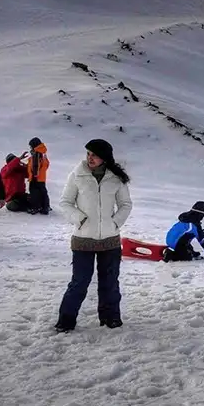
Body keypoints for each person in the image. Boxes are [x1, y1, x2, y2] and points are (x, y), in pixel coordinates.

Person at [54, 139, 133, 332]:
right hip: (83, 240)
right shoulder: (77, 175)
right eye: (88, 153)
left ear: (104, 158)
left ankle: (111, 318)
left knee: (110, 282)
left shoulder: (115, 178)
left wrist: (115, 223)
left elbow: (126, 204)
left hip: (110, 240)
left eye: (94, 155)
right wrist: (80, 219)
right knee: (79, 282)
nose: (90, 158)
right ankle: (66, 320)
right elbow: (65, 202)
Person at [26, 137, 51, 215]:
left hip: (35, 177)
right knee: (43, 192)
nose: (30, 148)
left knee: (34, 193)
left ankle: (35, 207)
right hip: (41, 177)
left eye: (31, 146)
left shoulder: (37, 153)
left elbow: (35, 165)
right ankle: (45, 207)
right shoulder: (43, 152)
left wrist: (35, 175)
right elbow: (46, 164)